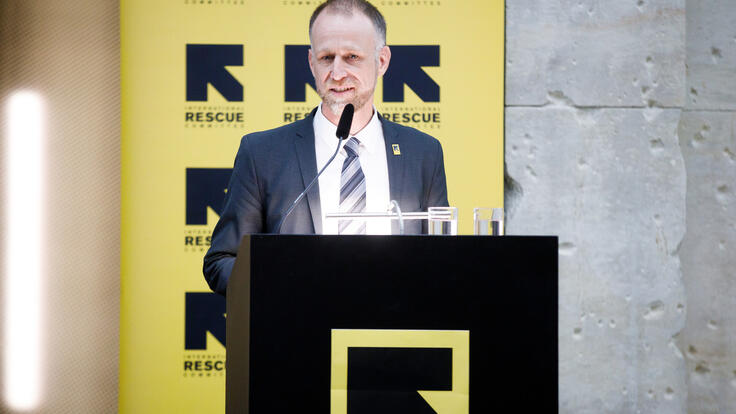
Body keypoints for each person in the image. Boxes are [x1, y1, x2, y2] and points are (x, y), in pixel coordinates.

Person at [203, 0, 448, 295]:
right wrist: (286, 283)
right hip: (296, 334)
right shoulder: (262, 154)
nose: (337, 72)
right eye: (326, 57)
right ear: (311, 62)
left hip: (389, 334)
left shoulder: (423, 153)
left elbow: (441, 261)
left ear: (381, 61)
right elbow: (222, 262)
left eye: (352, 57)